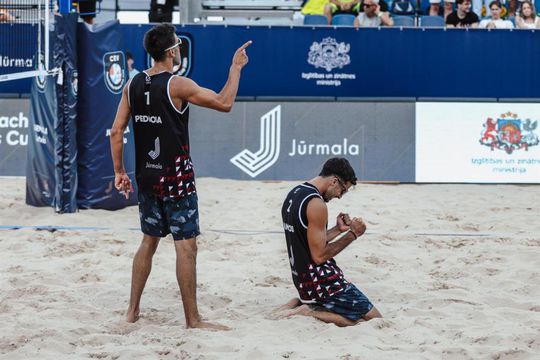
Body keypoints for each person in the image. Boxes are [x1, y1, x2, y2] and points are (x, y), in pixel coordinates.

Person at [109, 23, 251, 330]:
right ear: (172, 50)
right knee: (186, 247)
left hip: (147, 178)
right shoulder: (178, 85)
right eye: (177, 47)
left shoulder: (132, 85)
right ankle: (193, 319)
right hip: (176, 180)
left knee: (148, 242)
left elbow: (116, 131)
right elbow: (224, 103)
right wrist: (235, 68)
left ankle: (131, 311)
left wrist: (119, 171)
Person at [276, 158, 382, 327]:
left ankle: (300, 303)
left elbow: (307, 240)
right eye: (343, 190)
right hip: (322, 284)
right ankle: (309, 312)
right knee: (374, 320)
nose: (340, 196)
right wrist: (353, 234)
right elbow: (319, 256)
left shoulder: (295, 193)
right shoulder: (317, 204)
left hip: (303, 282)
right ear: (334, 181)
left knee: (359, 318)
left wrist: (337, 230)